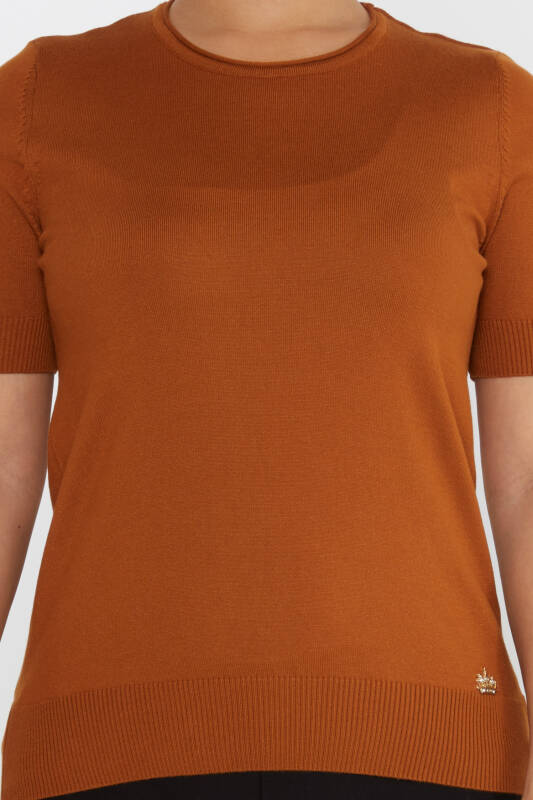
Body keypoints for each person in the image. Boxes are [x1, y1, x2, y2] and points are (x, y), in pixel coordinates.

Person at [0, 0, 532, 798]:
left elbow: (524, 483)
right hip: (101, 744)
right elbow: (4, 470)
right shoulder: (39, 98)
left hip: (425, 740)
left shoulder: (487, 105)